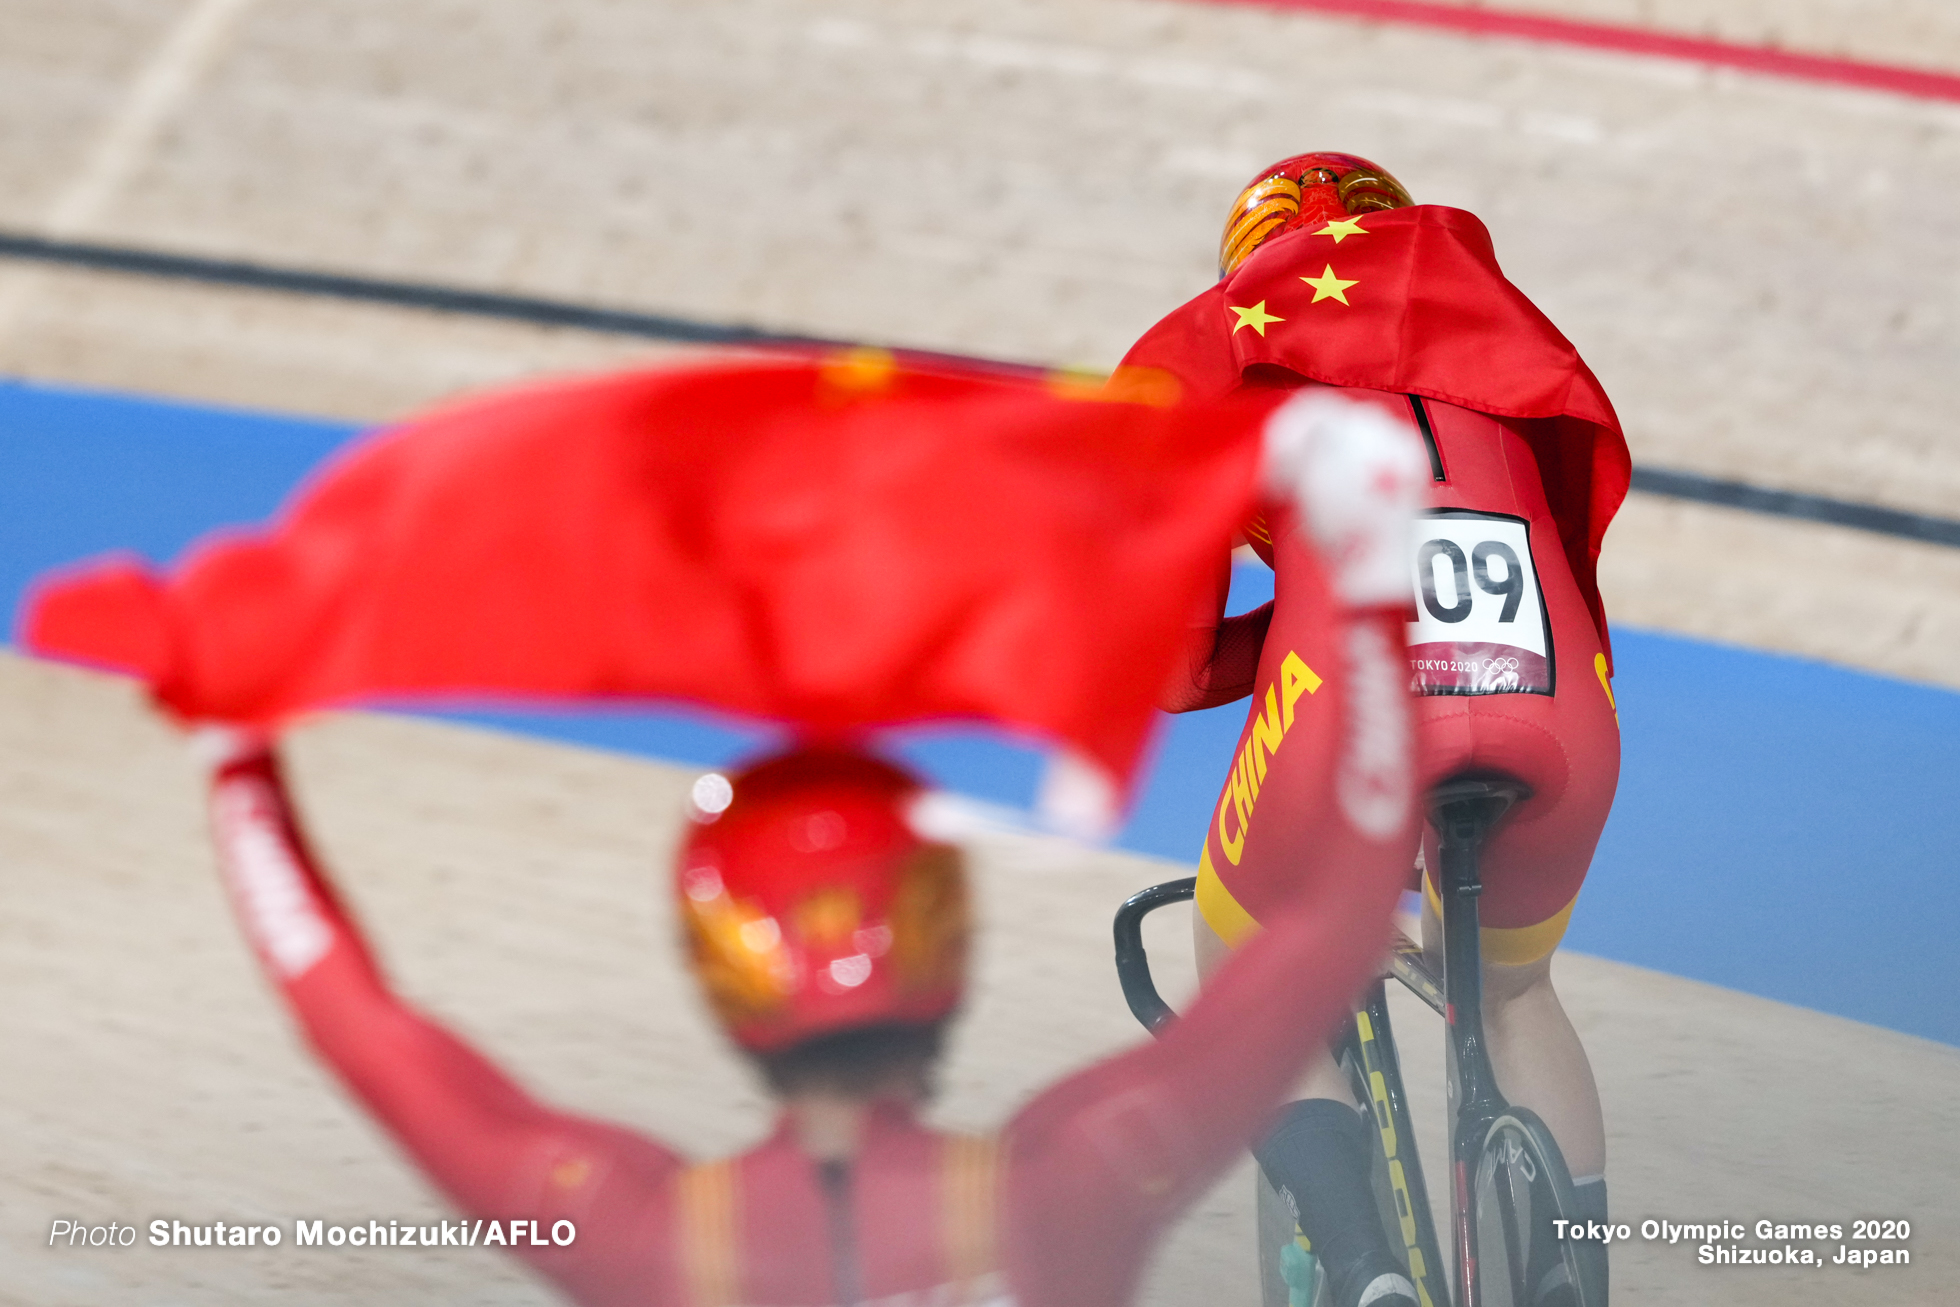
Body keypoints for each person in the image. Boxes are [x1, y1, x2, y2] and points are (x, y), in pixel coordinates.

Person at [192, 389, 1430, 1307]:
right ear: (945, 941)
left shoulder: (637, 1234)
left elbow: (359, 1022)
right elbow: (1333, 919)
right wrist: (1362, 589)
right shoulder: (1079, 1170)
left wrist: (236, 755)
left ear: (718, 972)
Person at [1124, 152, 1631, 1307]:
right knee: (1512, 992)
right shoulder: (1498, 333)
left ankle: (1364, 1272)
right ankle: (1569, 1275)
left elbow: (1171, 660)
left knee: (1247, 971)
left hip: (1349, 708)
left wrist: (1267, 630)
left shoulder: (1230, 348)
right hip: (1549, 703)